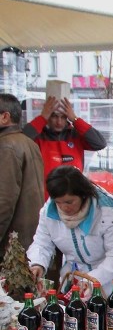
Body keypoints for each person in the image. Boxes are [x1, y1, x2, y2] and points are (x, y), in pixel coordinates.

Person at [27, 166, 113, 292]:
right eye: (58, 202)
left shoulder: (106, 211)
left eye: (69, 202)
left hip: (108, 285)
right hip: (71, 282)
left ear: (83, 195)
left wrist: (91, 279)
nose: (64, 207)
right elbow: (42, 243)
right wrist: (37, 263)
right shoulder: (49, 212)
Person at [23, 95, 107, 198]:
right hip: (45, 200)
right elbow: (21, 141)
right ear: (48, 116)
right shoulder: (37, 137)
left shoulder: (75, 135)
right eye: (54, 116)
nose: (59, 122)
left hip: (73, 198)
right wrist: (42, 118)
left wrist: (75, 119)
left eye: (63, 117)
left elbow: (100, 143)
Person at [0, 93, 44, 260]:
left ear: (5, 117)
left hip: (12, 244)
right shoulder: (27, 142)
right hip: (28, 240)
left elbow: (4, 200)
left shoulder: (6, 147)